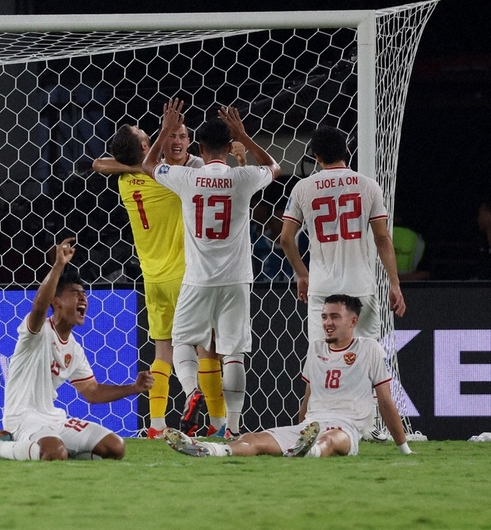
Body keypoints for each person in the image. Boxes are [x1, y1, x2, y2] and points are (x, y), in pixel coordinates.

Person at [142, 99, 280, 439]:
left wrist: (163, 133)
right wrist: (244, 137)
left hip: (198, 279)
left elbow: (147, 166)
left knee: (181, 342)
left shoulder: (187, 177)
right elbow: (274, 166)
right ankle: (232, 428)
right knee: (232, 352)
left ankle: (192, 393)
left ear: (199, 148)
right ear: (227, 146)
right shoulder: (243, 177)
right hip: (236, 279)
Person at [93, 120, 228, 439]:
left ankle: (156, 424)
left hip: (151, 279)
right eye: (145, 136)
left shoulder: (125, 179)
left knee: (162, 351)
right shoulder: (168, 177)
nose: (151, 136)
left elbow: (98, 164)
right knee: (206, 348)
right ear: (143, 147)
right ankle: (220, 422)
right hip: (185, 274)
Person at [165, 294, 413, 458]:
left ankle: (310, 450)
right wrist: (299, 428)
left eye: (335, 317)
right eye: (325, 316)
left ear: (353, 321)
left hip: (345, 427)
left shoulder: (369, 348)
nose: (327, 322)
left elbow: (385, 400)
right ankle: (211, 449)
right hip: (309, 426)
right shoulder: (315, 348)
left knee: (330, 440)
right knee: (254, 438)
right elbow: (307, 398)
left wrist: (404, 448)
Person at [0, 238, 154, 461]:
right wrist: (58, 265)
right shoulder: (37, 333)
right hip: (22, 418)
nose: (83, 298)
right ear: (56, 302)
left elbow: (93, 392)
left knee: (115, 447)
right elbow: (39, 305)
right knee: (54, 452)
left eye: (84, 294)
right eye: (76, 293)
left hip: (54, 419)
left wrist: (134, 387)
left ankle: (61, 451)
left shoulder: (74, 350)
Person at [279, 125, 405, 440]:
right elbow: (382, 238)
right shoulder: (368, 186)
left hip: (322, 288)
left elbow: (285, 239)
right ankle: (373, 426)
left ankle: (312, 424)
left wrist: (302, 273)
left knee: (320, 356)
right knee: (370, 356)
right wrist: (394, 282)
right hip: (360, 285)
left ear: (316, 156)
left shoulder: (304, 188)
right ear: (346, 150)